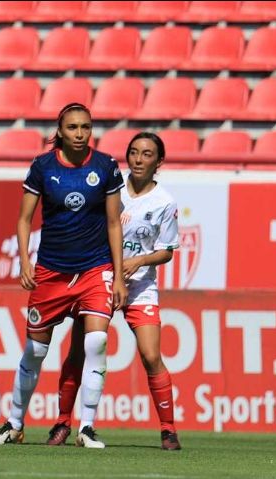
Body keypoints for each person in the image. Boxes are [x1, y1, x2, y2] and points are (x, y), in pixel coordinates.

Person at [0, 103, 127, 448]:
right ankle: (14, 424)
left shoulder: (105, 166)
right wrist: (24, 261)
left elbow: (113, 223)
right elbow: (23, 219)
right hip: (51, 271)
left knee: (96, 342)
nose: (80, 134)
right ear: (60, 131)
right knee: (35, 351)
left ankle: (86, 427)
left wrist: (118, 276)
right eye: (73, 127)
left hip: (94, 269)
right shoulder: (43, 166)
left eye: (86, 127)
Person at [47, 132, 182, 451]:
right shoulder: (110, 187)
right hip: (100, 279)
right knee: (79, 351)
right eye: (133, 152)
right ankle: (63, 423)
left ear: (159, 162)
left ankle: (168, 430)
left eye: (147, 154)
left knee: (151, 356)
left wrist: (139, 260)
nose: (138, 159)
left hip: (140, 285)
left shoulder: (165, 202)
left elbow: (167, 251)